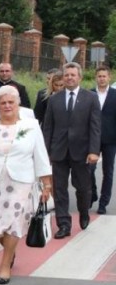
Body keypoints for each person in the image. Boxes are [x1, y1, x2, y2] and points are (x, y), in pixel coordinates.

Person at [0, 86, 52, 284]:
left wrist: (46, 184)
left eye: (10, 102)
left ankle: (5, 266)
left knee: (12, 221)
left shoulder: (31, 125)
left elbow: (40, 154)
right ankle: (9, 249)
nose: (7, 106)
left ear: (18, 104)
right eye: (3, 103)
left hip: (21, 181)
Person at [43, 62, 101, 238]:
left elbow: (95, 127)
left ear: (80, 77)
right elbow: (48, 127)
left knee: (83, 188)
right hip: (58, 151)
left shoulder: (91, 98)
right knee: (59, 189)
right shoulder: (54, 99)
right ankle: (64, 224)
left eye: (72, 75)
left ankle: (84, 212)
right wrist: (45, 152)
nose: (69, 77)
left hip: (82, 152)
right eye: (66, 75)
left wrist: (94, 151)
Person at [90, 67, 116, 214]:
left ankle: (103, 203)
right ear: (96, 77)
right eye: (99, 76)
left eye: (104, 76)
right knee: (89, 169)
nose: (101, 78)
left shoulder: (115, 94)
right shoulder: (89, 93)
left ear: (109, 77)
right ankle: (92, 192)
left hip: (111, 139)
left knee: (108, 171)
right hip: (92, 138)